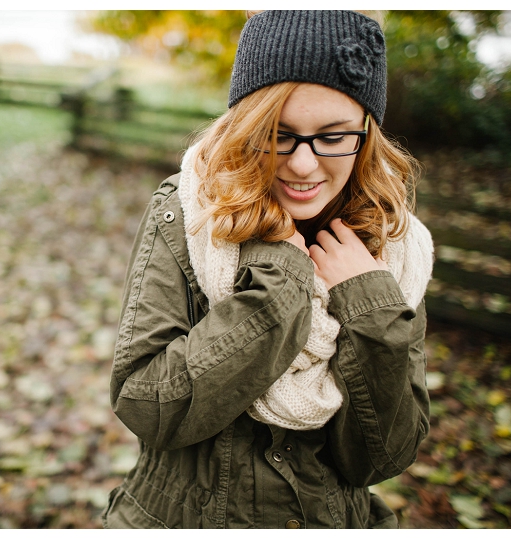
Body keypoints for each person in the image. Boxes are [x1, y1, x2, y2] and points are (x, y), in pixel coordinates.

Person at [103, 10, 433, 529]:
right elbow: (147, 406)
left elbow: (383, 457)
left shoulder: (393, 247)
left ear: (366, 134)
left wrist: (370, 304)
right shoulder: (190, 213)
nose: (303, 164)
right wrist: (280, 289)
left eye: (332, 136)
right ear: (245, 127)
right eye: (278, 134)